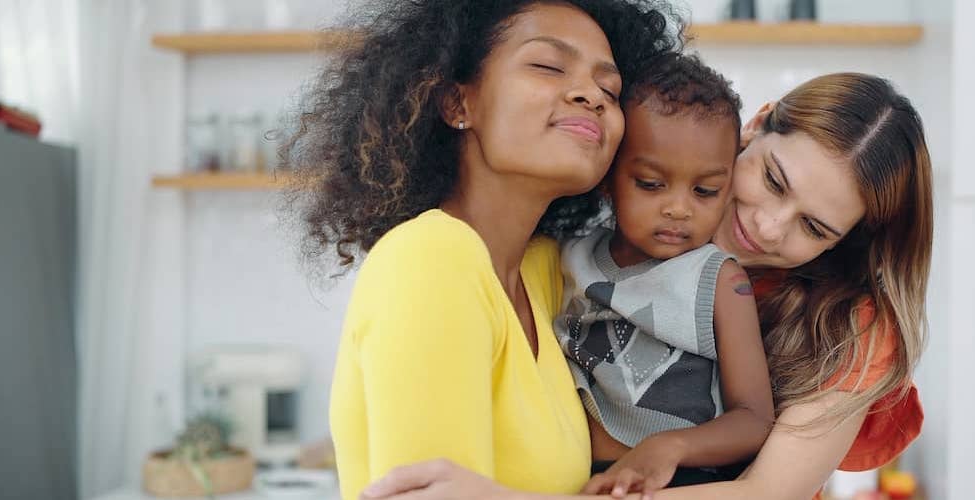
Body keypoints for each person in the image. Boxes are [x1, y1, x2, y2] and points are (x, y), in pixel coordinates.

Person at [359, 72, 932, 500]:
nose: (767, 226)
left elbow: (761, 496)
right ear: (756, 126)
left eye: (814, 227)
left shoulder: (847, 331)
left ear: (846, 242)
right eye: (774, 181)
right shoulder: (596, 242)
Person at [277, 1, 682, 500]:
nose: (591, 96)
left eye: (610, 89)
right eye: (548, 66)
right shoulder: (431, 258)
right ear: (457, 103)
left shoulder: (546, 272)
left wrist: (744, 177)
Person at [554, 53, 773, 499]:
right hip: (575, 478)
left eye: (705, 190)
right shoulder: (570, 255)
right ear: (607, 175)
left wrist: (668, 448)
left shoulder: (719, 281)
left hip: (682, 482)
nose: (678, 208)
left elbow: (754, 418)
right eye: (651, 183)